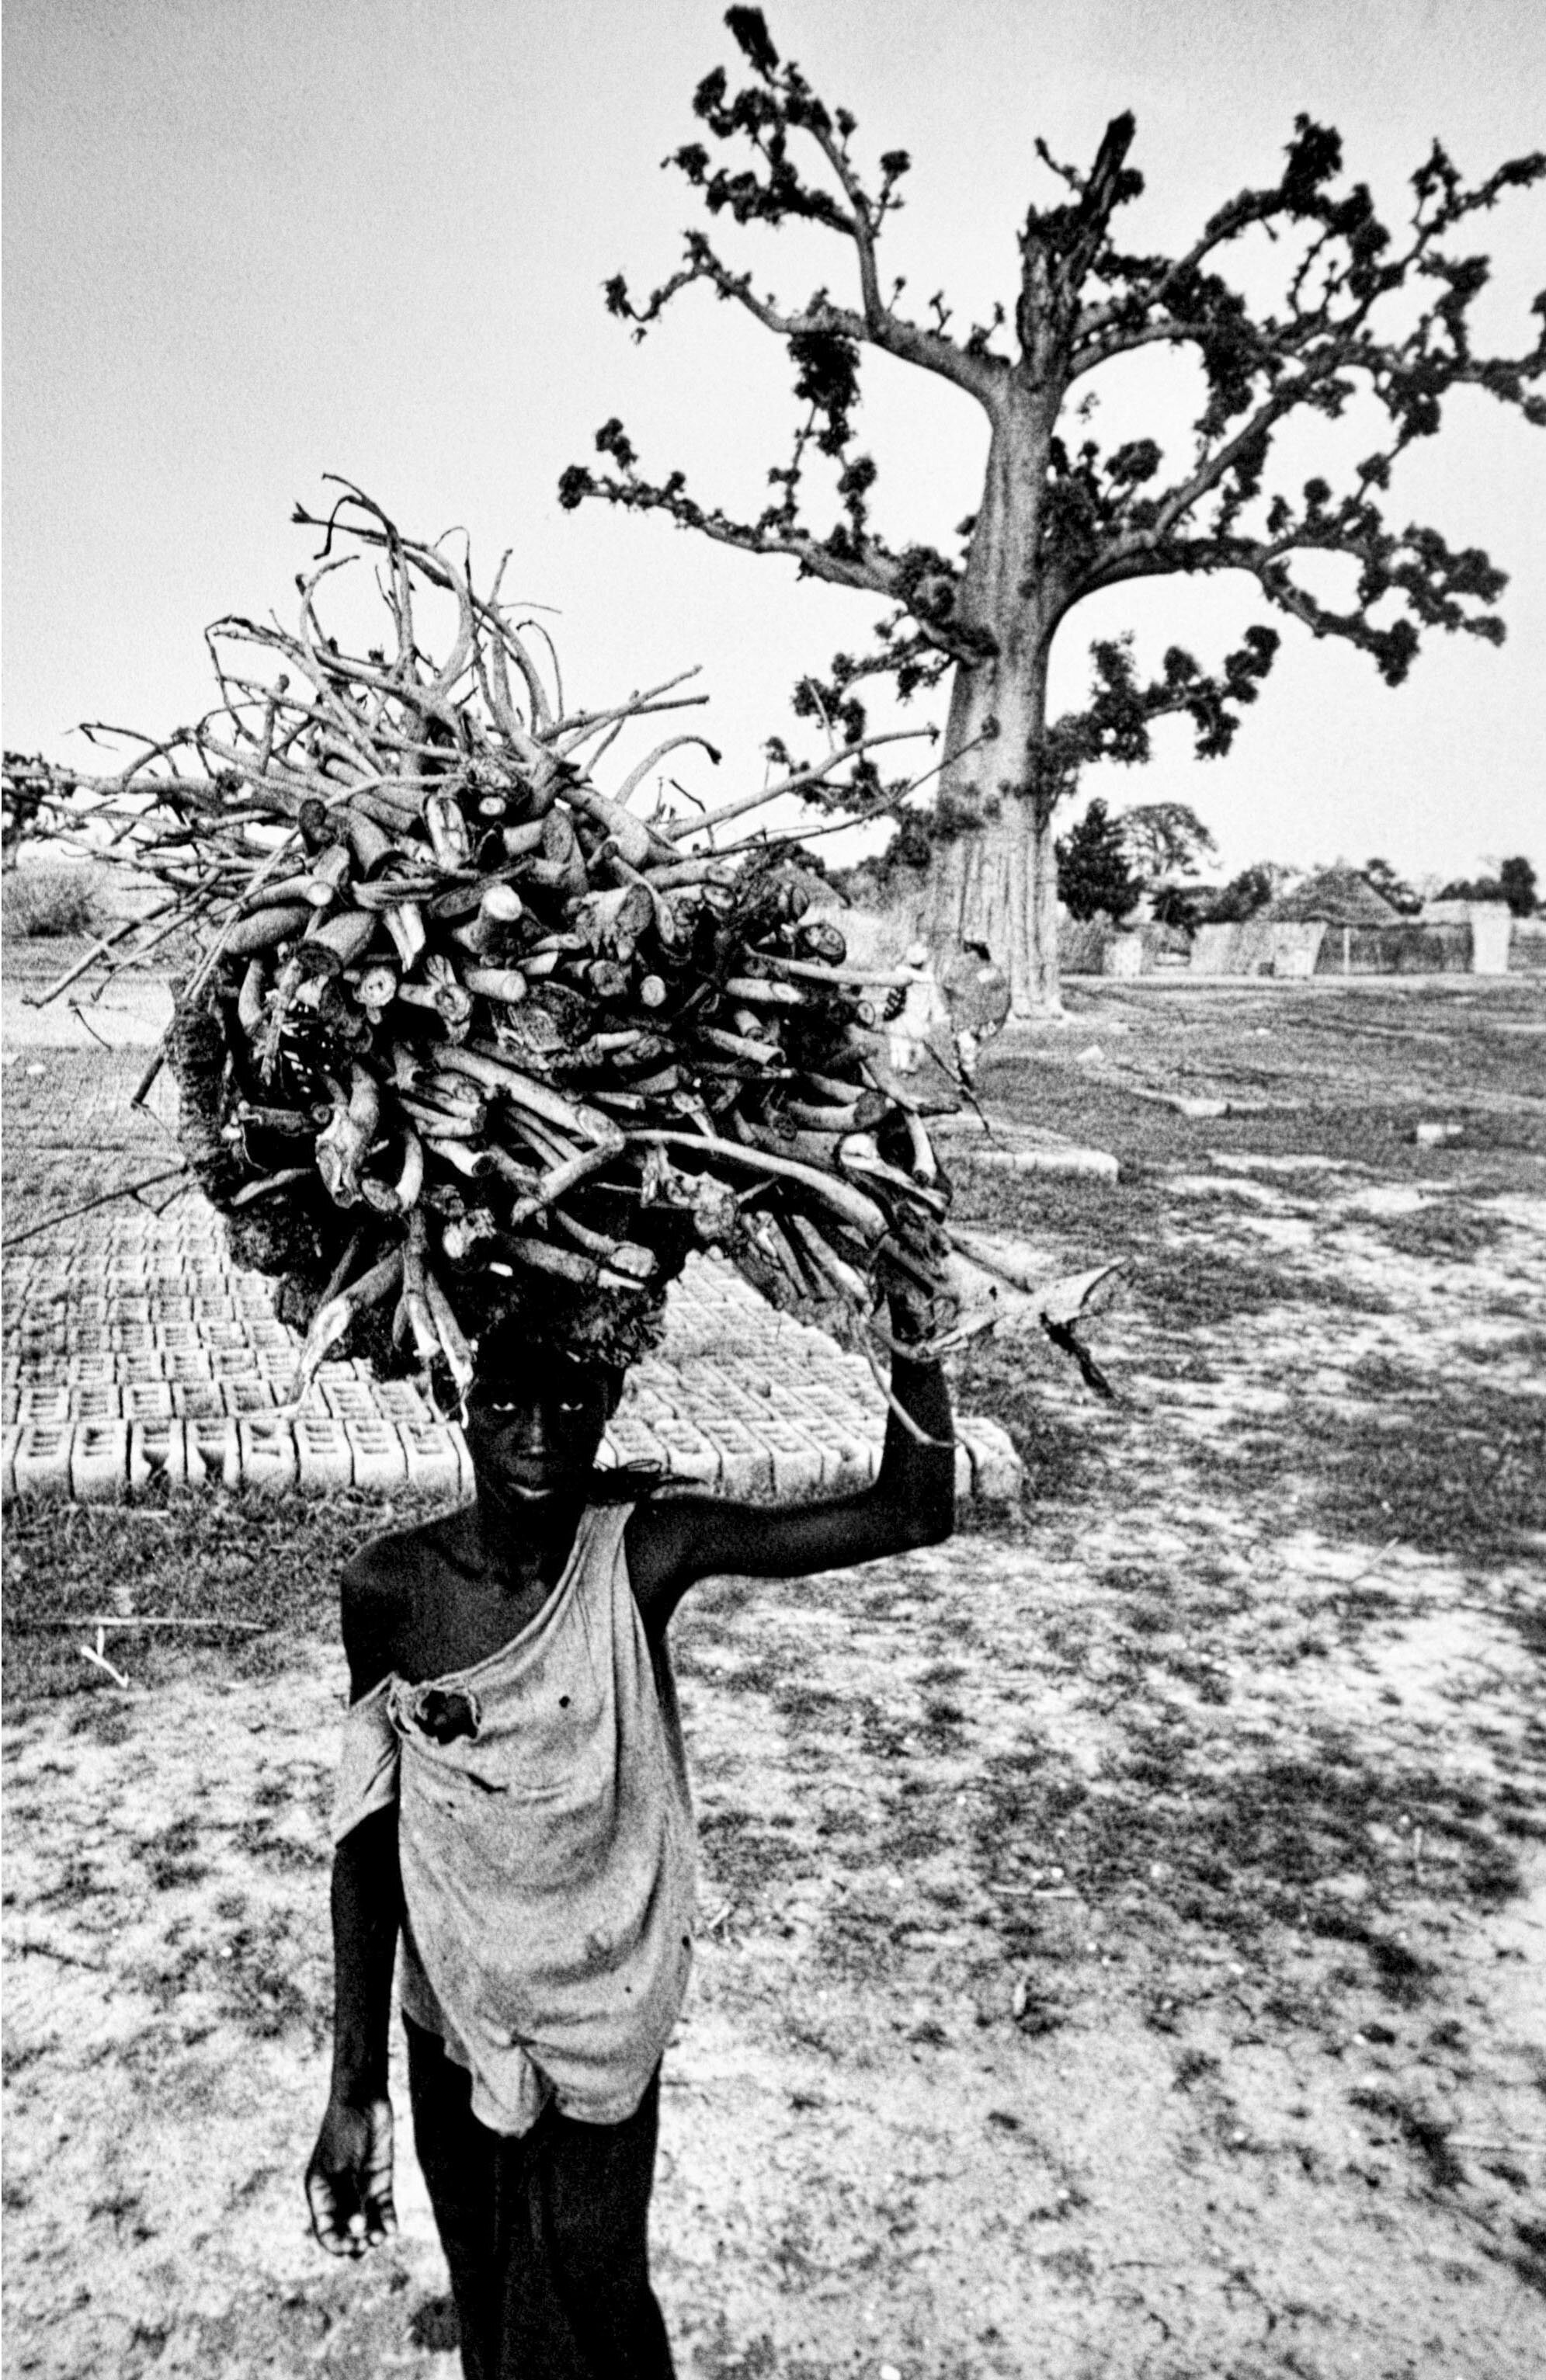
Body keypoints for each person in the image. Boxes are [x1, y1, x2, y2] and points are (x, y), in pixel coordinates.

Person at [304, 1293, 954, 2378]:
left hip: (601, 1999)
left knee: (594, 2266)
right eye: (505, 1393)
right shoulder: (391, 1590)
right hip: (453, 2004)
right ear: (451, 1395)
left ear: (608, 1398)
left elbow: (908, 1511)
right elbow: (367, 1833)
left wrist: (912, 1314)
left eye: (570, 1393)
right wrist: (351, 2083)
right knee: (482, 2272)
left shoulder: (644, 1552)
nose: (539, 1427)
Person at [940, 939, 1010, 1089]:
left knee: (964, 1049)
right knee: (969, 1049)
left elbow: (947, 983)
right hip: (979, 1016)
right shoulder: (989, 966)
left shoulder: (965, 963)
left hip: (966, 1015)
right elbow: (1000, 989)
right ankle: (966, 1082)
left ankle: (963, 1081)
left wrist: (956, 997)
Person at [883, 940, 950, 1075]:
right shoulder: (928, 979)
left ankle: (900, 1066)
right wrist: (938, 1015)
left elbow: (888, 992)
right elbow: (934, 1001)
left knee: (900, 1040)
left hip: (902, 1014)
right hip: (920, 1017)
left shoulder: (901, 973)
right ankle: (912, 1066)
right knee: (919, 1043)